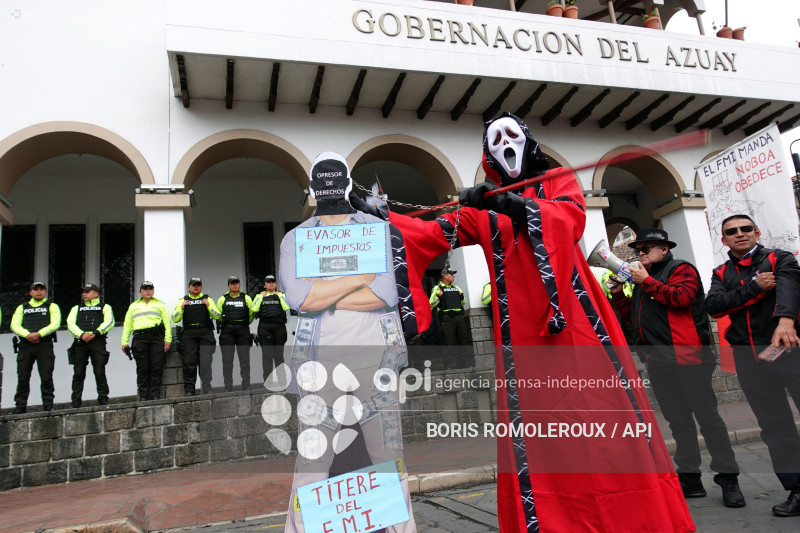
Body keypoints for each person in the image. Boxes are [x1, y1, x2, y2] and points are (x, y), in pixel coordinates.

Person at [352, 112, 694, 532]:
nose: (504, 142)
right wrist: (381, 215)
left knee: (603, 415)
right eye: (495, 139)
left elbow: (568, 222)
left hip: (574, 316)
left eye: (511, 133)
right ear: (489, 155)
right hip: (521, 334)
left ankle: (635, 516)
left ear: (526, 142)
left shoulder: (558, 182)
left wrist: (511, 203)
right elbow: (430, 234)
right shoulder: (480, 211)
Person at [280, 152, 416, 533]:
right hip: (317, 367)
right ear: (311, 187)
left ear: (345, 182)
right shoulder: (295, 239)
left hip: (378, 364)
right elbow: (299, 299)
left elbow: (388, 292)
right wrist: (360, 277)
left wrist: (324, 289)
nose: (327, 185)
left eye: (333, 176)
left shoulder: (377, 228)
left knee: (390, 462)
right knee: (312, 466)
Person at [610, 228, 744, 507]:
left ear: (665, 250)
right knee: (679, 422)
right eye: (639, 249)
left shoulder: (681, 268)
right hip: (659, 362)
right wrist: (619, 294)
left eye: (648, 248)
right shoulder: (644, 279)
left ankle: (728, 478)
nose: (641, 253)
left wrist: (645, 281)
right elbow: (634, 316)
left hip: (689, 359)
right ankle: (690, 479)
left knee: (708, 420)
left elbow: (681, 298)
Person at [705, 214, 800, 518]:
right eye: (731, 231)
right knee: (775, 426)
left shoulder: (779, 258)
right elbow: (715, 305)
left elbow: (789, 288)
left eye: (746, 229)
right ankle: (796, 489)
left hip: (786, 346)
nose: (740, 234)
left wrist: (786, 321)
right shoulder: (720, 272)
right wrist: (755, 288)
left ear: (757, 232)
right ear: (724, 240)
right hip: (749, 357)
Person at [10, 281, 61, 414]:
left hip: (44, 345)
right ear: (30, 292)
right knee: (23, 376)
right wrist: (28, 335)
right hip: (25, 345)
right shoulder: (22, 307)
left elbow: (55, 323)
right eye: (36, 289)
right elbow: (14, 325)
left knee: (46, 376)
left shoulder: (52, 306)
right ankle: (20, 406)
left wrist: (39, 334)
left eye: (41, 289)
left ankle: (48, 405)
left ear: (45, 292)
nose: (39, 291)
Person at [66, 283, 115, 408]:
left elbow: (109, 321)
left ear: (96, 294)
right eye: (83, 292)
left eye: (87, 291)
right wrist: (82, 335)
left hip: (97, 342)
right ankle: (76, 401)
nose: (84, 294)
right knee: (78, 373)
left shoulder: (105, 307)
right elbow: (70, 324)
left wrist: (95, 333)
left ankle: (103, 398)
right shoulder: (76, 308)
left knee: (99, 371)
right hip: (80, 343)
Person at [121, 281, 172, 401]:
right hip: (140, 338)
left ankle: (155, 395)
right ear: (140, 292)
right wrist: (124, 341)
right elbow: (127, 324)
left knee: (156, 367)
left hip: (156, 337)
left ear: (153, 291)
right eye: (145, 289)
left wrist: (168, 339)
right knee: (142, 367)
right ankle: (143, 395)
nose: (148, 291)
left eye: (150, 289)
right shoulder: (133, 306)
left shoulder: (160, 305)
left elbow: (167, 323)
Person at [172, 277, 219, 396]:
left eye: (198, 285)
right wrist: (182, 307)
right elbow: (175, 318)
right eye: (193, 285)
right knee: (189, 363)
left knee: (205, 362)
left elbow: (217, 315)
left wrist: (208, 306)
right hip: (189, 334)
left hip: (204, 333)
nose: (196, 287)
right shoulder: (183, 300)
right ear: (189, 287)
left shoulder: (207, 299)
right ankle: (189, 390)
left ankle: (207, 388)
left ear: (201, 287)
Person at [250, 274, 289, 382]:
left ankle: (282, 381)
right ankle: (268, 381)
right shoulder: (260, 296)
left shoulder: (281, 295)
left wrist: (280, 296)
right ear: (264, 285)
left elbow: (287, 307)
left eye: (273, 282)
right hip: (265, 327)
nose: (271, 283)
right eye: (269, 282)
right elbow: (253, 309)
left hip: (279, 327)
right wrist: (259, 297)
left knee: (279, 355)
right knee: (267, 355)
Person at [217, 275, 253, 391]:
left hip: (242, 330)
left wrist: (244, 323)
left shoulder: (246, 298)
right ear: (228, 286)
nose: (235, 285)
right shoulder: (222, 299)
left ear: (239, 284)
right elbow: (218, 315)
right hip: (227, 330)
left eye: (236, 282)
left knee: (244, 360)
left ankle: (246, 385)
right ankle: (228, 387)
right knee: (227, 361)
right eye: (232, 283)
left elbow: (251, 314)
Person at [429, 269, 468, 345]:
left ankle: (465, 357)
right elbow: (431, 304)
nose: (454, 276)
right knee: (449, 341)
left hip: (459, 316)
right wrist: (438, 296)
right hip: (447, 318)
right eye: (452, 274)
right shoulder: (437, 288)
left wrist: (461, 297)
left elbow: (463, 302)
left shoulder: (456, 287)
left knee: (464, 340)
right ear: (445, 276)